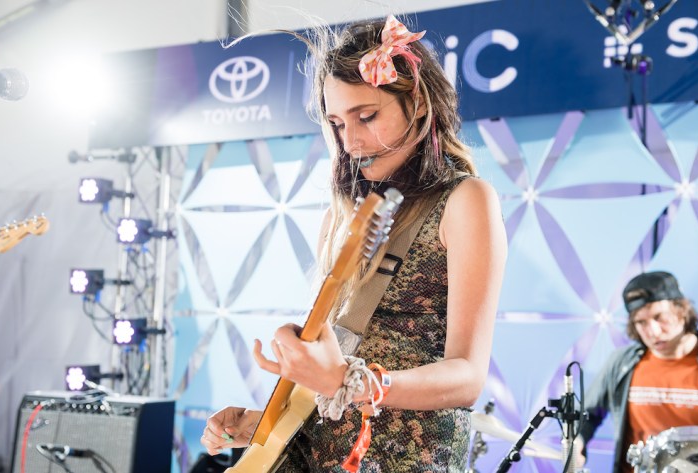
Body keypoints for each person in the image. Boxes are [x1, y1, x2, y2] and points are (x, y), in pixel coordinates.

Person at [201, 15, 507, 472]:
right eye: (337, 124)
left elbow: (467, 377)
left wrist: (353, 382)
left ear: (418, 104)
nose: (352, 141)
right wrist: (268, 423)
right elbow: (336, 363)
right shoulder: (341, 217)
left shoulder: (466, 200)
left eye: (367, 116)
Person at [577, 271, 698, 472]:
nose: (653, 331)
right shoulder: (622, 363)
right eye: (641, 322)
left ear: (681, 310)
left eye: (660, 317)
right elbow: (586, 414)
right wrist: (577, 442)